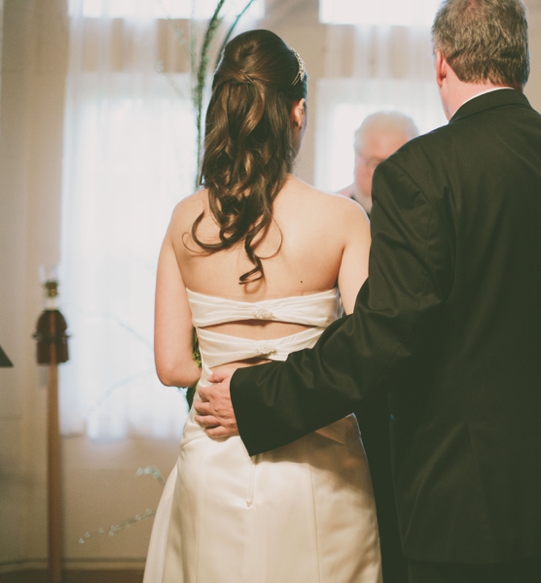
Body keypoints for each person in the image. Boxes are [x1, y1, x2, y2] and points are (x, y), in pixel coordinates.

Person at [197, 0, 541, 581]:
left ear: (441, 62)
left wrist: (260, 395)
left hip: (470, 501)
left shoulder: (419, 172)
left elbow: (383, 336)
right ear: (521, 61)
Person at [142, 30, 382, 582]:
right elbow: (367, 351)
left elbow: (171, 365)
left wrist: (228, 381)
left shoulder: (185, 220)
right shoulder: (343, 220)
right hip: (321, 462)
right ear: (297, 112)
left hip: (215, 453)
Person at [338, 110, 418, 583]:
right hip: (342, 393)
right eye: (370, 161)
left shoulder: (424, 219)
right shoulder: (329, 213)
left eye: (392, 162)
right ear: (354, 160)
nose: (379, 174)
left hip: (408, 399)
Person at [339, 111, 419, 215]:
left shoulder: (427, 216)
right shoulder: (332, 213)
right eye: (376, 164)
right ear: (357, 159)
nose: (386, 176)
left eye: (397, 166)